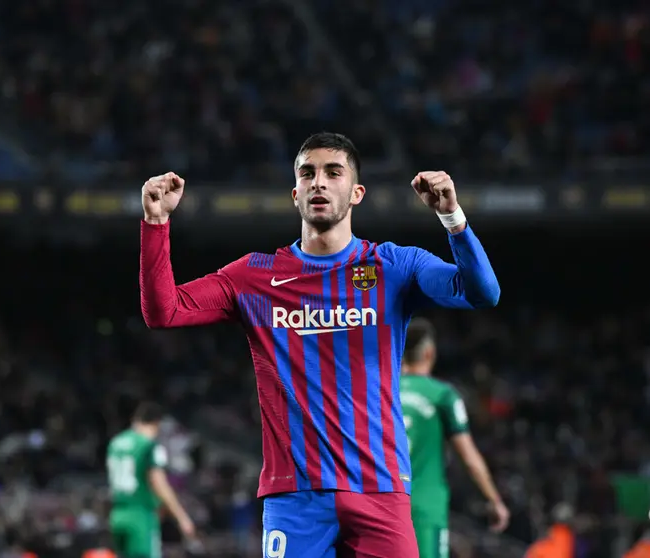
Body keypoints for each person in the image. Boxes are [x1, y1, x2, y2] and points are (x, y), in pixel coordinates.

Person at [139, 132, 500, 557]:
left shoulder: (394, 266)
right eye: (307, 173)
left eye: (333, 172)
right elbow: (165, 311)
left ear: (357, 192)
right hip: (296, 498)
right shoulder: (254, 276)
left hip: (380, 490)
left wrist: (453, 218)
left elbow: (482, 292)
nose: (319, 183)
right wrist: (156, 225)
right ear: (295, 194)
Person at [399, 318, 509, 558]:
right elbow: (468, 457)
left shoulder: (380, 392)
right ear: (429, 352)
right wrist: (494, 500)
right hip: (424, 507)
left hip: (381, 506)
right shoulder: (443, 395)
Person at [106, 402, 195, 558]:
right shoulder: (149, 446)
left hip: (117, 515)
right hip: (140, 515)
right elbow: (159, 483)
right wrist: (182, 517)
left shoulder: (116, 443)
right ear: (156, 423)